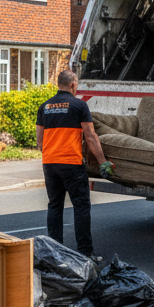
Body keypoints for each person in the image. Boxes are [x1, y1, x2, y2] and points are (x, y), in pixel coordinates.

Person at [35, 70, 114, 257]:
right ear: (72, 85)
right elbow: (91, 137)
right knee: (81, 206)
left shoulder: (44, 107)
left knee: (54, 206)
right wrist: (103, 162)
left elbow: (40, 141)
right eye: (76, 84)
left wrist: (51, 155)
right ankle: (85, 252)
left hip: (50, 163)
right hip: (71, 163)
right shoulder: (79, 106)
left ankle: (54, 252)